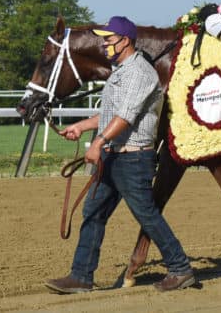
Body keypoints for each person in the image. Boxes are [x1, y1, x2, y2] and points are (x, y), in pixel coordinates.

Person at [45, 16, 194, 294]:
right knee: (94, 212)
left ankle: (180, 268)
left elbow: (125, 117)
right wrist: (82, 126)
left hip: (133, 159)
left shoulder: (139, 72)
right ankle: (81, 277)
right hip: (113, 156)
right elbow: (111, 114)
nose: (104, 45)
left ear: (124, 41)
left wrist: (97, 142)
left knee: (147, 215)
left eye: (108, 40)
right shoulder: (121, 70)